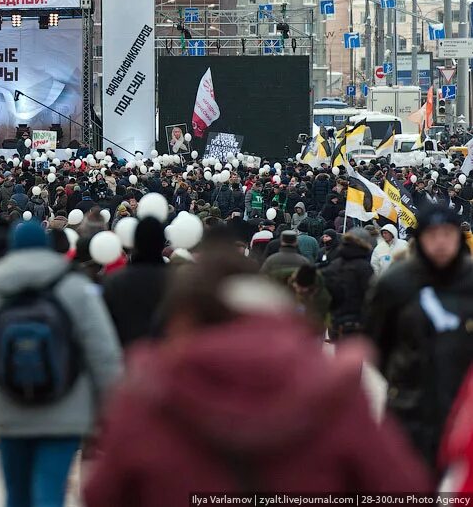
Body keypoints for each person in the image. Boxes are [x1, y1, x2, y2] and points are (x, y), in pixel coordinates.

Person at [83, 255, 431, 506]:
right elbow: (403, 488)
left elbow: (100, 494)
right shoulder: (333, 391)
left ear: (184, 319)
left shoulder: (149, 393)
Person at [0, 221, 123, 507]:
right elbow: (103, 352)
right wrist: (113, 409)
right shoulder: (74, 286)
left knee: (17, 494)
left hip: (9, 408)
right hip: (66, 408)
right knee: (50, 490)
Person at [368, 203, 473, 467]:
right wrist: (404, 376)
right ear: (420, 239)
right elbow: (377, 341)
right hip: (411, 405)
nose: (440, 243)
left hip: (465, 406)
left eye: (447, 234)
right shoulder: (396, 283)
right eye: (432, 235)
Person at [102, 217, 169, 348]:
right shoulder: (177, 281)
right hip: (167, 358)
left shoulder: (115, 281)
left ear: (136, 243)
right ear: (162, 243)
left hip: (125, 355)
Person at [322, 228, 375, 340]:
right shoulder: (364, 267)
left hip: (336, 320)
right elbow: (370, 296)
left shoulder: (335, 265)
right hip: (358, 321)